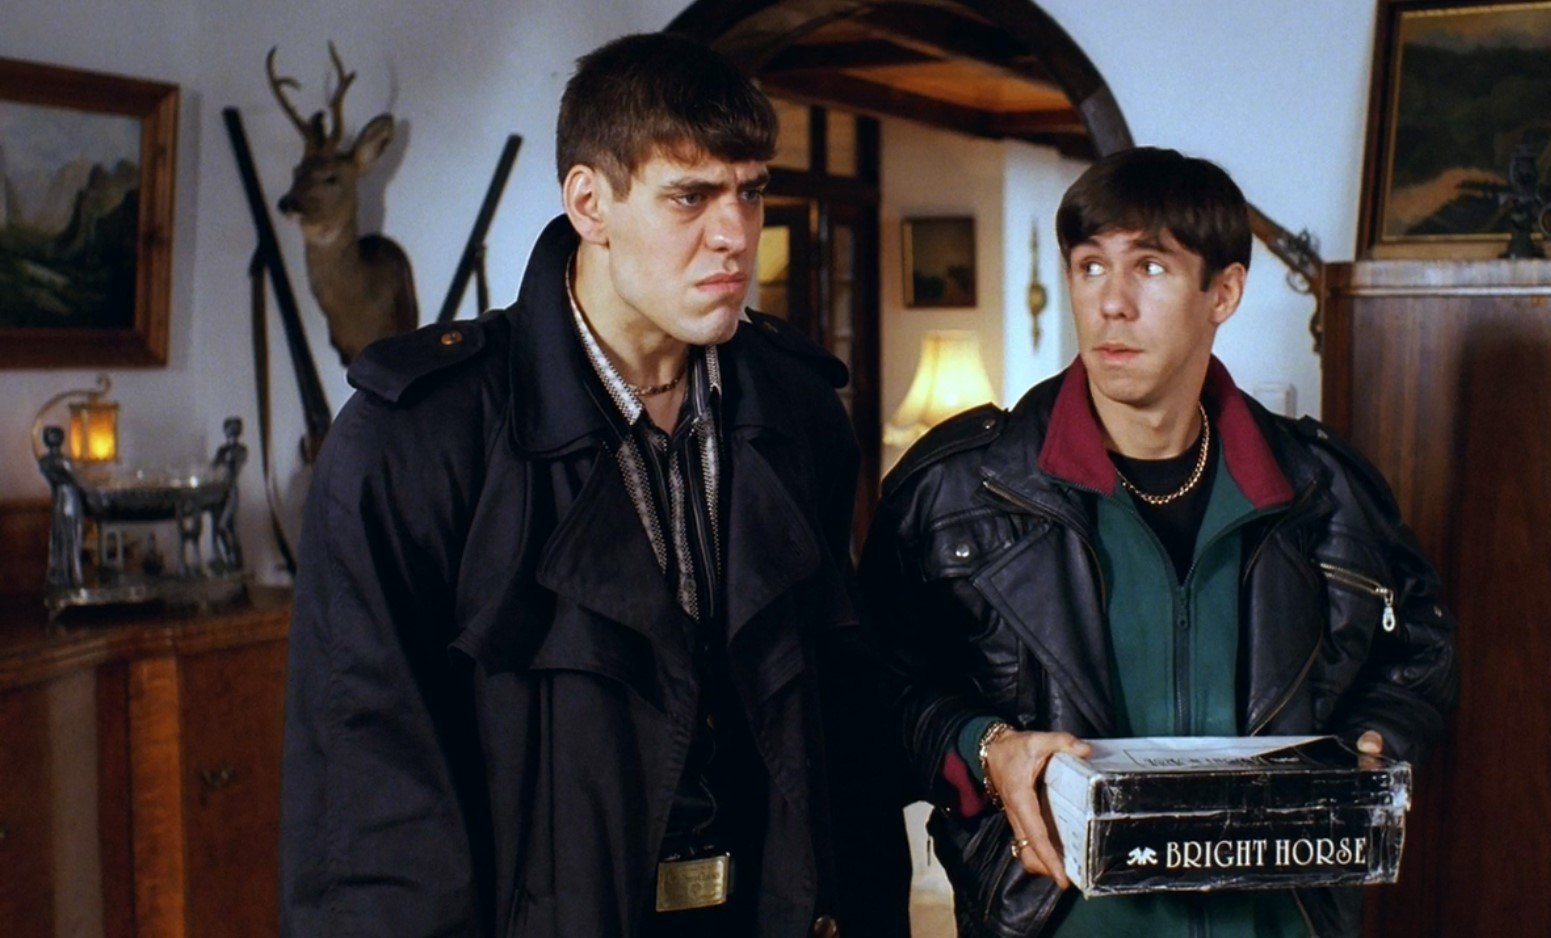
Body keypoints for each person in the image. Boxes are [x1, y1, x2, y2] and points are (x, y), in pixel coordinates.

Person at [280, 32, 909, 938]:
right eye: (689, 196)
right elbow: (369, 803)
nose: (735, 234)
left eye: (750, 190)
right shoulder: (414, 438)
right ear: (589, 204)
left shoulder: (798, 410)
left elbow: (842, 741)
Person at [859, 147, 1457, 938]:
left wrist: (1375, 740)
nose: (1111, 303)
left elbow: (1419, 653)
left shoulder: (1328, 489)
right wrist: (983, 748)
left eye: (1149, 267)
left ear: (1223, 292)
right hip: (1054, 919)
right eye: (1090, 266)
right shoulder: (953, 492)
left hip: (1277, 922)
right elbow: (870, 695)